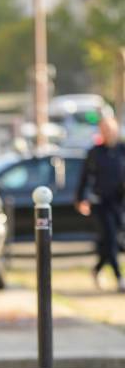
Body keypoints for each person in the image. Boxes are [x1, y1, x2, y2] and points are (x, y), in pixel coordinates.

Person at [75, 117, 125, 292]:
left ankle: (97, 270)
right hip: (100, 202)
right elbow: (84, 178)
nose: (108, 132)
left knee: (111, 242)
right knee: (110, 237)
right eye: (104, 129)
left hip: (118, 203)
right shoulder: (95, 152)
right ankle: (120, 278)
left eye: (110, 129)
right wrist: (81, 199)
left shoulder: (122, 150)